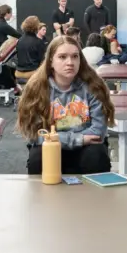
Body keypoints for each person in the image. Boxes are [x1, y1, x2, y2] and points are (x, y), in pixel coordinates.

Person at [18, 36, 113, 175]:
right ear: (51, 61)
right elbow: (34, 134)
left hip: (87, 148)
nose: (70, 62)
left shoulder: (94, 86)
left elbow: (97, 133)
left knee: (96, 155)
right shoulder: (36, 89)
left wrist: (58, 137)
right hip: (54, 146)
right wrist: (78, 139)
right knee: (37, 158)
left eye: (75, 56)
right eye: (62, 57)